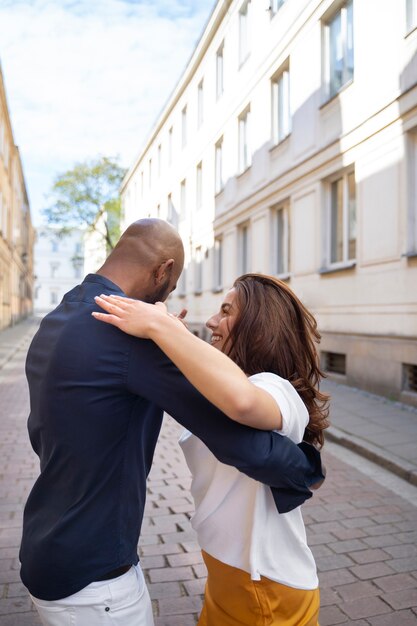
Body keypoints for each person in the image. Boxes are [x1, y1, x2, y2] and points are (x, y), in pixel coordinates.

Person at [21, 219, 324, 626]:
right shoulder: (127, 334)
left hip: (50, 547)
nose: (172, 297)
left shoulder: (61, 317)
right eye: (174, 281)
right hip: (96, 578)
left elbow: (240, 399)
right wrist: (308, 468)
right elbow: (245, 443)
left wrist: (172, 340)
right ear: (163, 271)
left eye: (226, 311)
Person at [93, 272, 330, 626]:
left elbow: (242, 402)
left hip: (264, 587)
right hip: (231, 574)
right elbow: (209, 388)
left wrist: (163, 329)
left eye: (226, 311)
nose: (211, 321)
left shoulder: (275, 388)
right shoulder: (233, 384)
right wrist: (172, 341)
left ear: (258, 326)